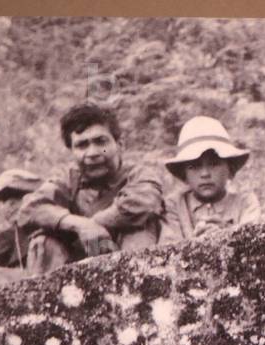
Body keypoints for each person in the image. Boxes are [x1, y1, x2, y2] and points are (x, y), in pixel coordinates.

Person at [16, 102, 165, 274]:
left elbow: (144, 202)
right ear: (72, 151)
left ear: (120, 144)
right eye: (82, 145)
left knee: (141, 228)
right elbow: (30, 208)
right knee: (44, 241)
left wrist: (95, 225)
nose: (92, 152)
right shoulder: (67, 179)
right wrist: (80, 225)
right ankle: (50, 291)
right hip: (76, 265)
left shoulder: (139, 174)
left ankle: (137, 286)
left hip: (124, 258)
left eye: (100, 142)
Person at [159, 116, 261, 244]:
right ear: (184, 175)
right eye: (194, 166)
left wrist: (228, 235)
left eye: (214, 164)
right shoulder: (174, 206)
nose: (205, 174)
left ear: (230, 169)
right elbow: (168, 248)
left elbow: (254, 244)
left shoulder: (245, 202)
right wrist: (195, 244)